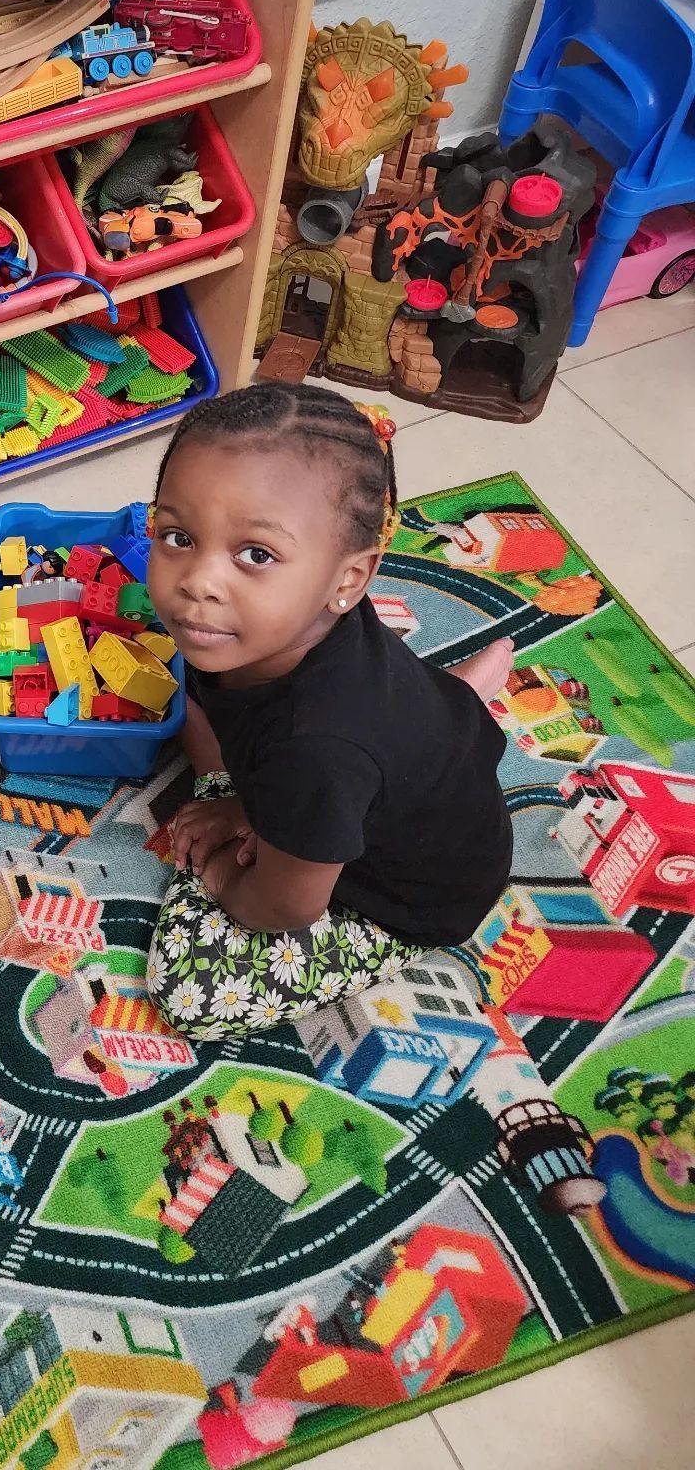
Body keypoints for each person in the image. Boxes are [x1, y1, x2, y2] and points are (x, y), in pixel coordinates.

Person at [142, 383, 514, 1040]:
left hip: (414, 892)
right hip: (405, 751)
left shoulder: (316, 752)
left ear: (349, 580)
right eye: (177, 535)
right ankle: (457, 696)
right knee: (194, 680)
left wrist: (225, 872)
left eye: (255, 554)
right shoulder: (272, 632)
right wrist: (246, 807)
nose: (198, 581)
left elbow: (284, 907)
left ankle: (449, 703)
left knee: (186, 994)